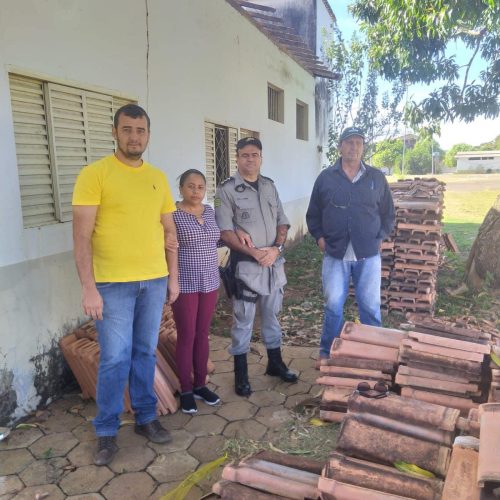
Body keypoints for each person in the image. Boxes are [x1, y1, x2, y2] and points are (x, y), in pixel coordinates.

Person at [72, 104, 179, 466]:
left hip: (153, 280)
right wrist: (89, 287)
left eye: (141, 130)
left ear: (149, 134)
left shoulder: (158, 178)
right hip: (112, 285)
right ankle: (105, 431)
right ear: (115, 132)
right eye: (128, 129)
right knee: (114, 359)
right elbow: (81, 237)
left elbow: (169, 231)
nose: (135, 136)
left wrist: (172, 276)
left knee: (145, 353)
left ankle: (146, 418)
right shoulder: (94, 174)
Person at [215, 137, 297, 397]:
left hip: (273, 264)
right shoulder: (226, 190)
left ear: (261, 158)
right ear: (237, 158)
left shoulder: (270, 187)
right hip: (247, 268)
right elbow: (225, 232)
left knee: (272, 316)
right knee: (243, 321)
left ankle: (275, 364)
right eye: (245, 155)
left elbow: (282, 223)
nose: (250, 159)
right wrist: (254, 252)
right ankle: (241, 375)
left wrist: (276, 250)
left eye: (255, 155)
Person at [306, 126, 395, 367]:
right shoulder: (326, 178)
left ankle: (374, 352)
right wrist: (319, 238)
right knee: (334, 305)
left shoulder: (376, 178)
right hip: (335, 253)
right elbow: (313, 214)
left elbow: (388, 214)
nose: (354, 147)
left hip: (368, 254)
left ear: (363, 147)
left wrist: (380, 237)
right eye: (349, 142)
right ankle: (328, 352)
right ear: (340, 146)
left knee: (370, 306)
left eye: (358, 142)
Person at [171, 169, 222, 414]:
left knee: (203, 333)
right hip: (185, 282)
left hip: (210, 281)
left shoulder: (210, 211)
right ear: (181, 188)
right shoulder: (172, 214)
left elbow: (217, 239)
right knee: (187, 334)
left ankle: (201, 384)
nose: (196, 191)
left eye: (200, 187)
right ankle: (186, 390)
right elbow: (166, 247)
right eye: (190, 186)